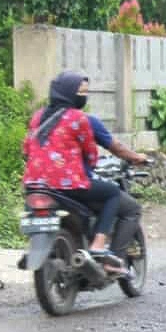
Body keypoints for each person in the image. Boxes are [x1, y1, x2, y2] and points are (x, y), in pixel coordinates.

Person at [22, 71, 123, 271]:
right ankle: (98, 244)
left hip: (34, 185)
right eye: (81, 92)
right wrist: (91, 166)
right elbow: (90, 152)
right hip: (67, 184)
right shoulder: (78, 118)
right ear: (69, 94)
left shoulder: (37, 116)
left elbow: (26, 149)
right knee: (113, 194)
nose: (83, 97)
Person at [84, 112, 149, 259]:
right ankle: (112, 259)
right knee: (123, 201)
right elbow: (116, 147)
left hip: (41, 186)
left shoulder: (40, 117)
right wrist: (137, 157)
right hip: (73, 183)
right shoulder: (83, 120)